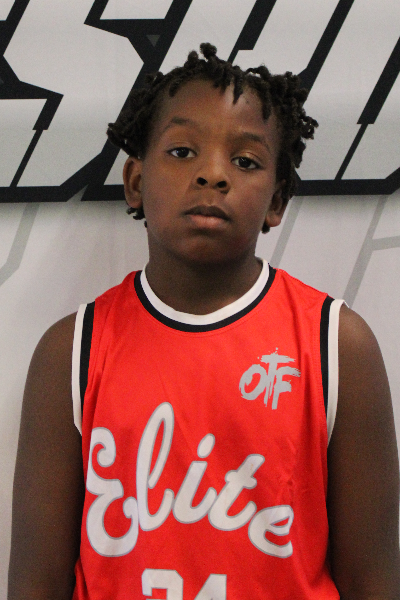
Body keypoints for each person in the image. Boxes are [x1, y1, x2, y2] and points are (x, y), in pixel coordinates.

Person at [8, 43, 400, 600]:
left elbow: (374, 582)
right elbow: (35, 584)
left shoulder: (337, 345)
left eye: (245, 161)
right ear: (135, 181)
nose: (212, 174)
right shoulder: (71, 351)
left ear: (277, 200)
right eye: (182, 151)